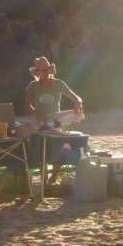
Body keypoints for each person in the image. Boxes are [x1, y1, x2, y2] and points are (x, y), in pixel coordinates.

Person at [25, 56, 84, 184]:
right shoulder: (32, 86)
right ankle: (44, 177)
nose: (43, 73)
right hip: (40, 120)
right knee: (41, 145)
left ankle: (53, 177)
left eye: (46, 70)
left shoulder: (59, 84)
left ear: (50, 70)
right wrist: (35, 112)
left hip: (56, 119)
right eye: (40, 71)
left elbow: (76, 97)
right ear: (37, 72)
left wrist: (78, 103)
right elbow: (27, 105)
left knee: (59, 143)